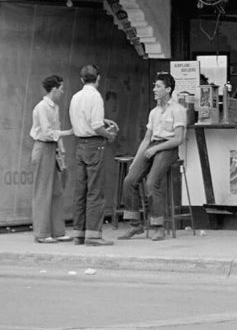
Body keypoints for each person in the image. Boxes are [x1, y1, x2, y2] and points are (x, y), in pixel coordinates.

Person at [118, 72, 187, 241]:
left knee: (152, 182)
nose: (154, 89)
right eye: (154, 86)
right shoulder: (154, 112)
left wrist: (156, 150)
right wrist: (136, 160)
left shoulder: (178, 110)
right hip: (152, 146)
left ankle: (158, 225)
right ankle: (135, 225)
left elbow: (178, 139)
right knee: (129, 180)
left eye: (158, 86)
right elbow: (147, 139)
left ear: (168, 89)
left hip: (168, 148)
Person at [68, 64, 118, 246]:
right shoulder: (95, 97)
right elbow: (96, 126)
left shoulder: (76, 97)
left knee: (80, 191)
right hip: (95, 145)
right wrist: (109, 134)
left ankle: (78, 233)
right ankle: (93, 235)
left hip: (80, 145)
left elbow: (80, 120)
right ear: (98, 78)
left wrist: (102, 122)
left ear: (82, 79)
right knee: (95, 190)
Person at [30, 75, 74, 243]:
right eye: (61, 89)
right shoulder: (42, 107)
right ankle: (41, 233)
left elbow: (56, 129)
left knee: (56, 191)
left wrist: (61, 150)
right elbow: (48, 132)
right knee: (43, 191)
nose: (62, 92)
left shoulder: (54, 107)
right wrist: (68, 133)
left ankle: (57, 230)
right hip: (43, 147)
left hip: (53, 148)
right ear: (54, 89)